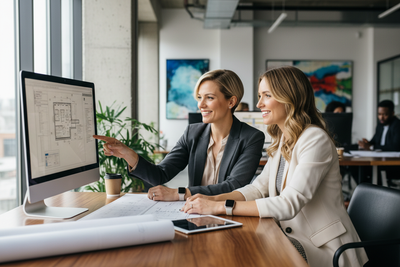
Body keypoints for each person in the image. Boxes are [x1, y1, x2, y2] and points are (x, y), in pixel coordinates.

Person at [182, 66, 368, 267]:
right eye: (260, 95)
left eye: (266, 95)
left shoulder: (314, 139)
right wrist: (212, 199)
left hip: (322, 247)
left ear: (289, 98)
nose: (258, 103)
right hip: (291, 236)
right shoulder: (283, 140)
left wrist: (220, 207)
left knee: (243, 253)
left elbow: (288, 204)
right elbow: (258, 189)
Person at [94, 69, 265, 201]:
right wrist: (128, 155)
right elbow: (160, 175)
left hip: (229, 213)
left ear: (231, 102)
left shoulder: (251, 138)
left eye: (209, 98)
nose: (201, 105)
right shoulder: (193, 133)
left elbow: (234, 186)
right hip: (196, 212)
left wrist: (180, 193)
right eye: (199, 97)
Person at [358, 100, 400, 186]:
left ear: (392, 113)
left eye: (384, 114)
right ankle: (367, 189)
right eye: (379, 114)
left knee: (371, 168)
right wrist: (367, 143)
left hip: (393, 163)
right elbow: (374, 141)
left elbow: (395, 146)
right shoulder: (380, 125)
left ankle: (376, 189)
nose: (381, 117)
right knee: (358, 168)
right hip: (379, 159)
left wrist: (371, 147)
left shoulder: (397, 125)